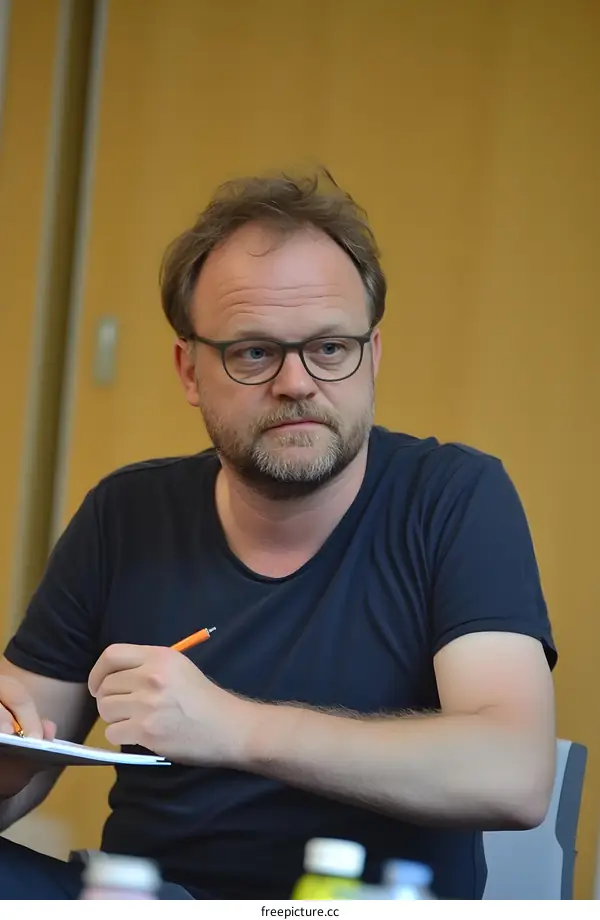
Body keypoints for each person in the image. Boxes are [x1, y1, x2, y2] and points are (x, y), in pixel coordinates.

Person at [0, 171, 557, 900]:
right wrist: (11, 760)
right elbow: (22, 768)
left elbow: (513, 773)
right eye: (254, 353)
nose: (297, 382)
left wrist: (230, 728)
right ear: (189, 370)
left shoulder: (453, 499)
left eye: (329, 349)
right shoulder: (124, 514)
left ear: (374, 355)